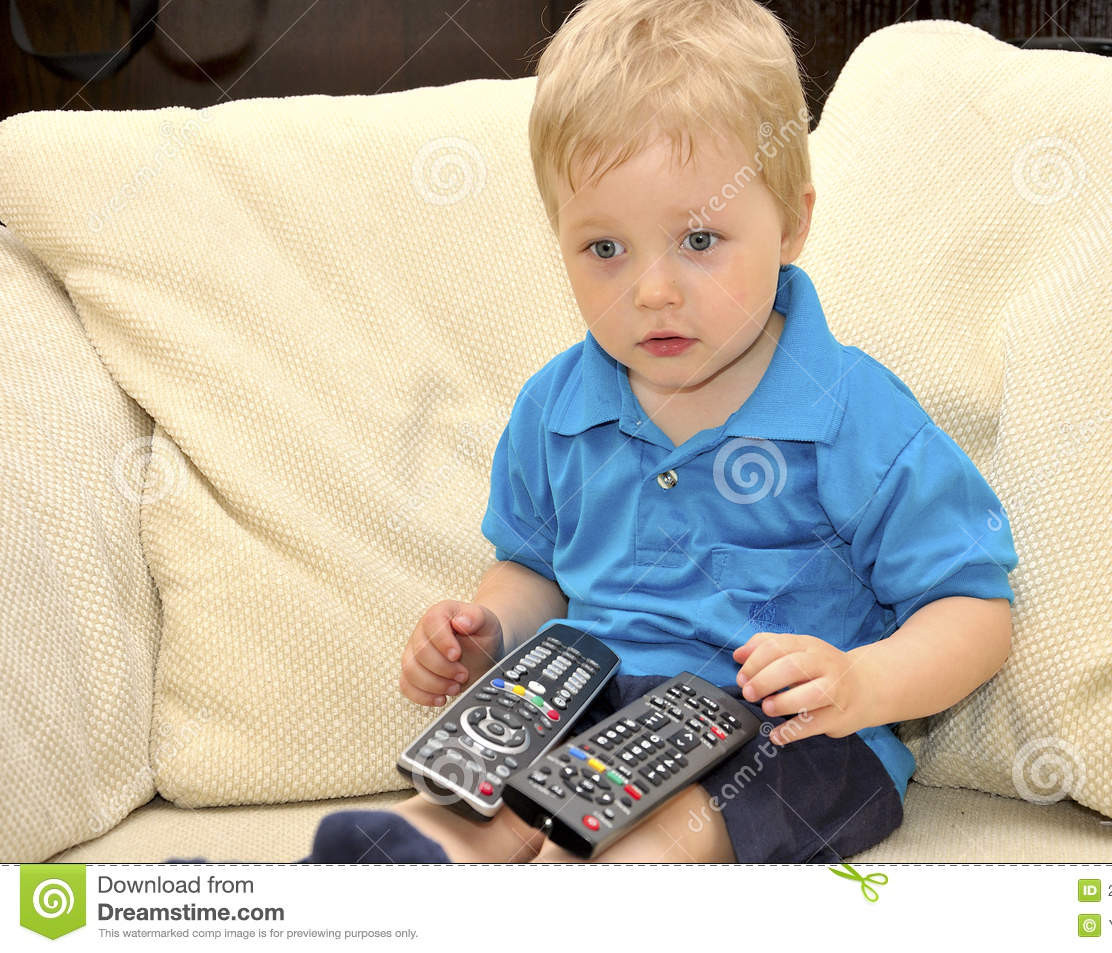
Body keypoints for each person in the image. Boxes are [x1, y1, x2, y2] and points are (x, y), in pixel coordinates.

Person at [169, 0, 1017, 866]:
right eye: (604, 248)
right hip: (603, 708)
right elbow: (535, 567)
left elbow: (977, 610)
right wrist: (488, 629)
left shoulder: (854, 412)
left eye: (698, 239)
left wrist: (864, 682)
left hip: (795, 736)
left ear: (792, 223)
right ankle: (332, 887)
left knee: (652, 840)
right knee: (478, 802)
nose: (652, 290)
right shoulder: (557, 406)